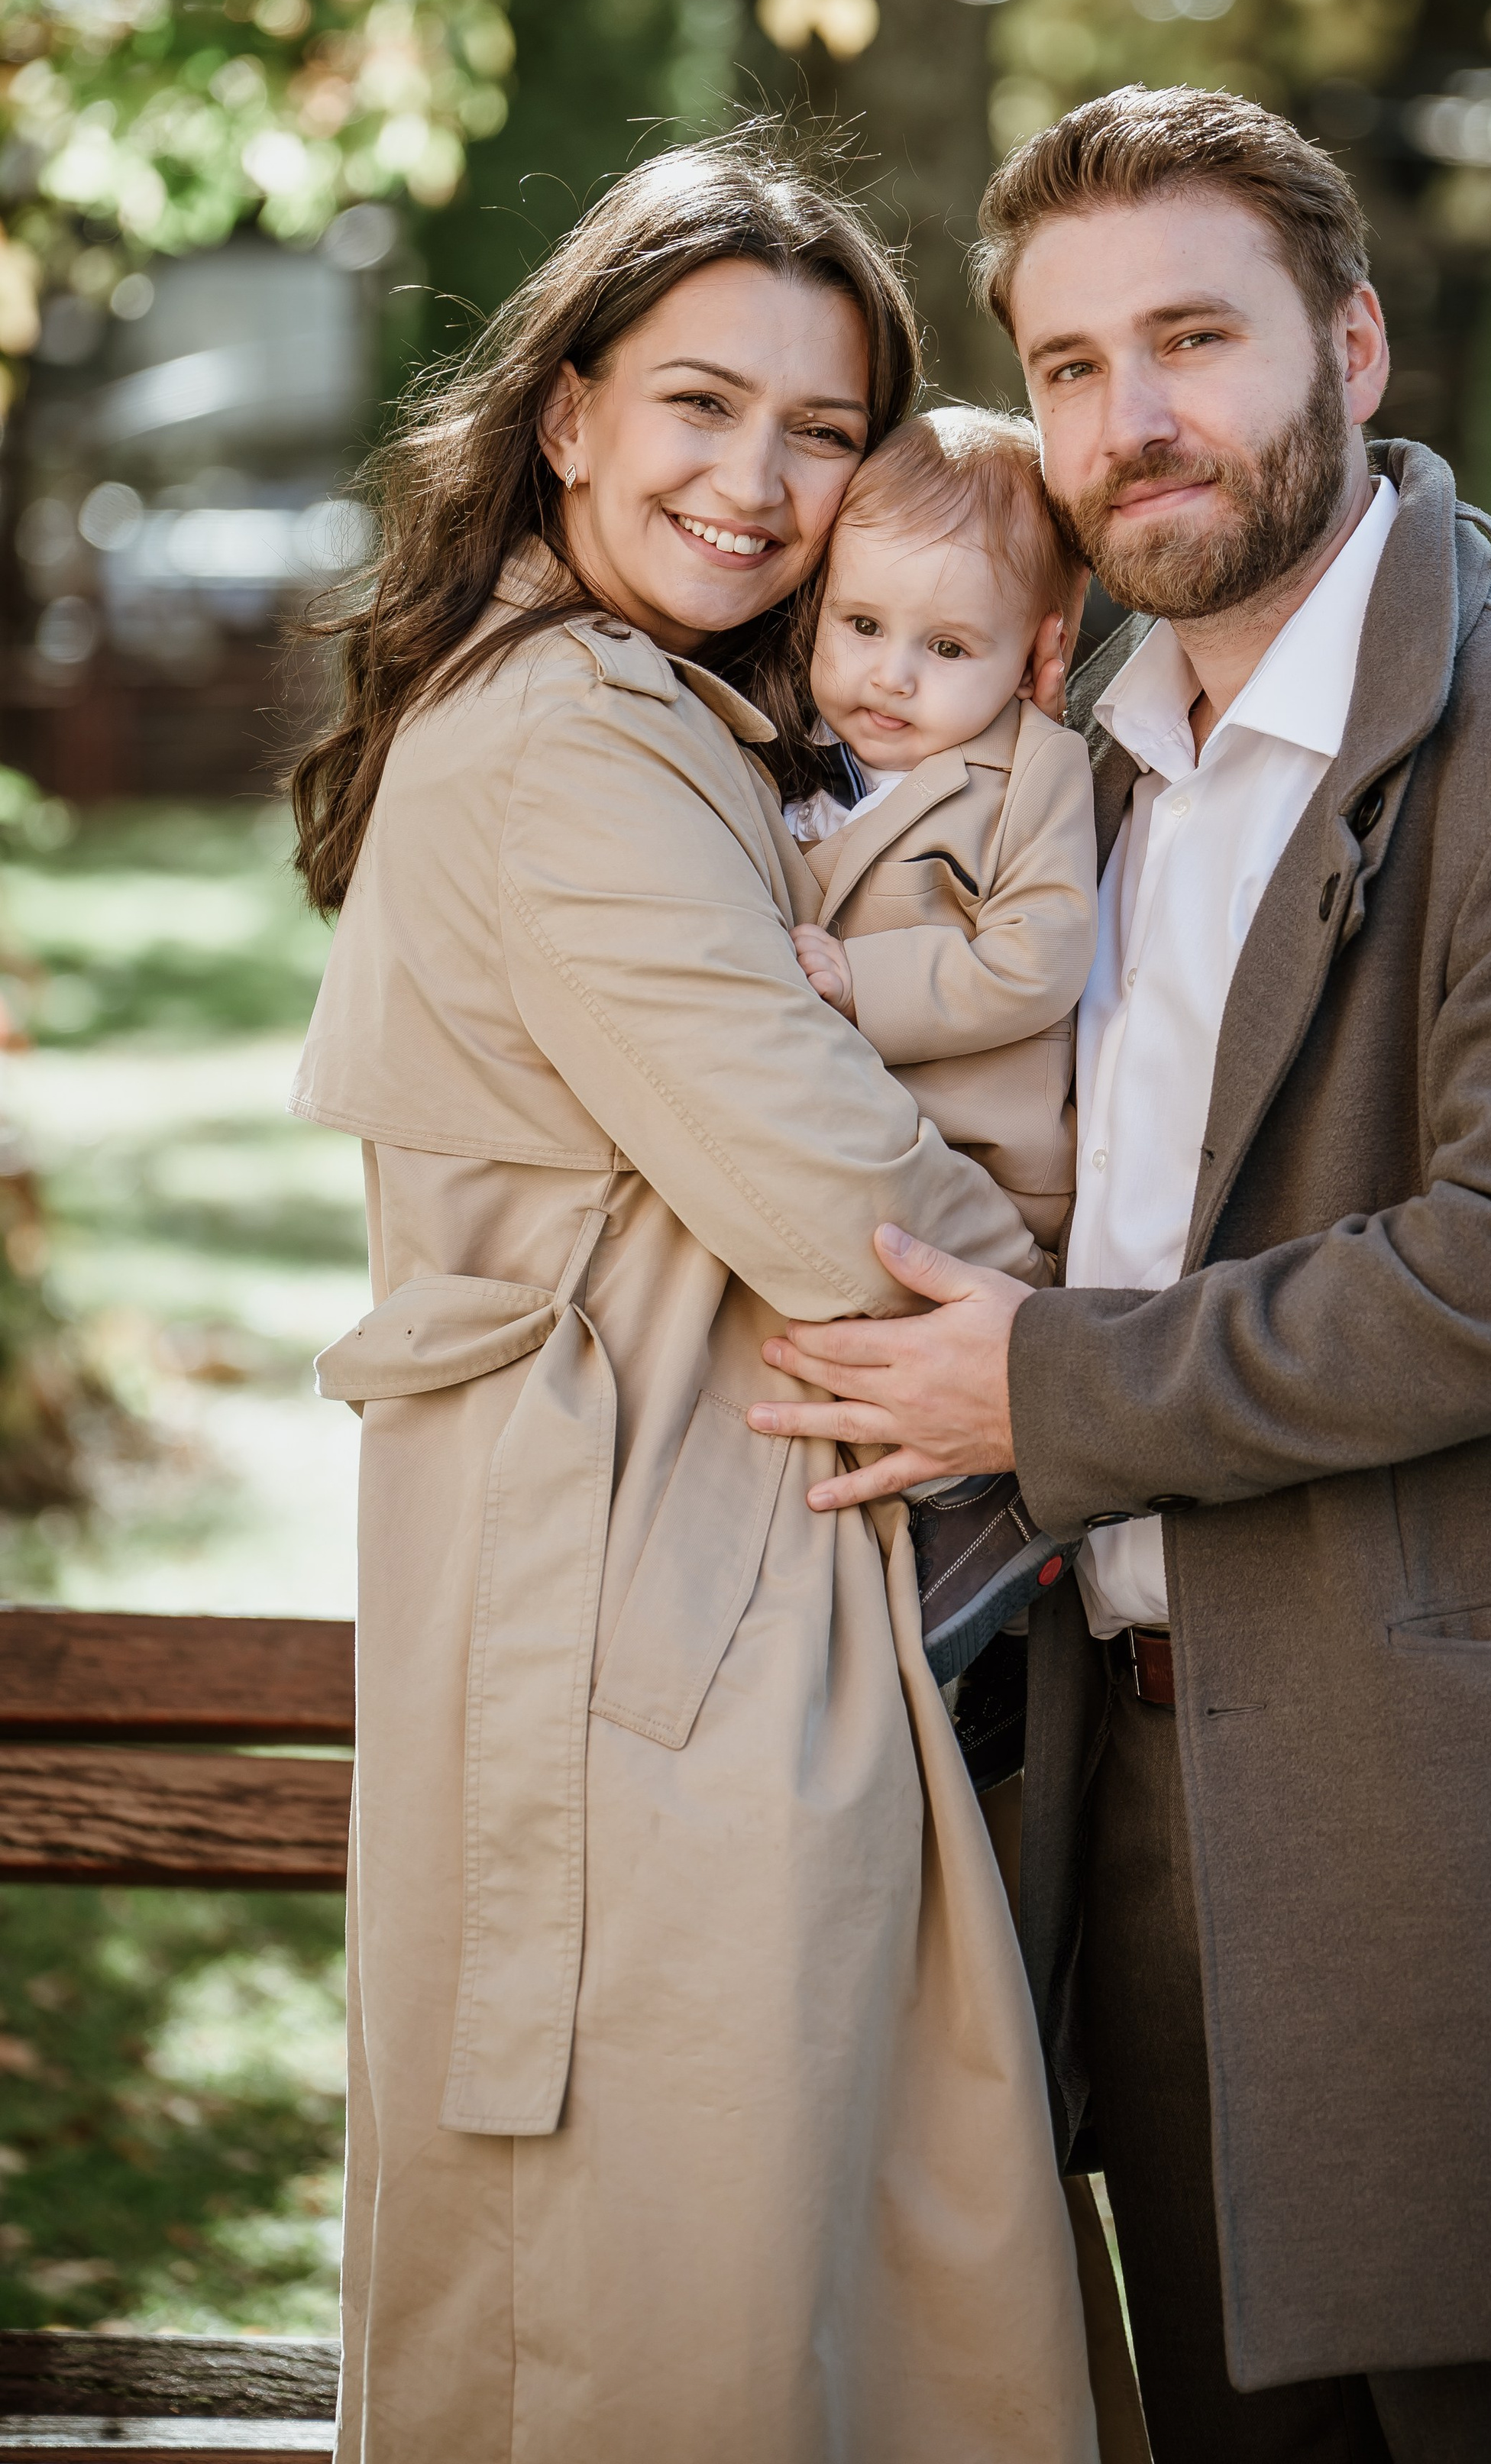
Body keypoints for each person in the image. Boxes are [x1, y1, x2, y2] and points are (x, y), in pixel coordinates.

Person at [746, 83, 1491, 2464]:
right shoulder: (1087, 756)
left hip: (1469, 1824)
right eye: (1067, 366)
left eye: (1194, 338)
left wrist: (1035, 1400)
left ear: (1353, 347)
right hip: (1156, 1800)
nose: (1129, 420)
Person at [285, 135, 1098, 2464]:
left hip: (713, 1575)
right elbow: (858, 1205)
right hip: (637, 1614)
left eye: (823, 430)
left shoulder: (700, 724)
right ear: (565, 413)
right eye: (697, 405)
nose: (759, 482)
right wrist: (1132, 1353)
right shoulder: (571, 747)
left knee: (782, 2298)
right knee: (661, 2313)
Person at [780, 404, 1098, 1680]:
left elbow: (1039, 955)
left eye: (948, 645)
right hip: (859, 1142)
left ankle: (990, 1519)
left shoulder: (1034, 775)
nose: (889, 677)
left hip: (984, 1165)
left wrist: (863, 980)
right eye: (861, 627)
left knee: (912, 1331)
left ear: (1038, 655)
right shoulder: (808, 764)